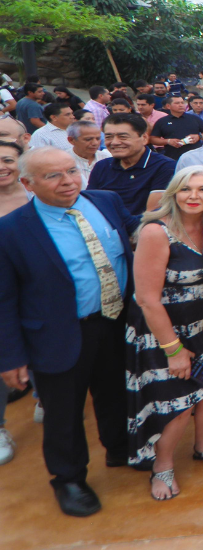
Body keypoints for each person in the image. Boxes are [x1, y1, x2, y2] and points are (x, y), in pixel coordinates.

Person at [0, 147, 136, 517]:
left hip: (115, 322)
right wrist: (10, 357)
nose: (68, 182)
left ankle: (120, 449)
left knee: (115, 393)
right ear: (28, 183)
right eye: (53, 176)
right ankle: (69, 479)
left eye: (71, 171)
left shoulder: (105, 201)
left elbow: (136, 229)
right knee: (64, 413)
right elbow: (4, 300)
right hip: (58, 335)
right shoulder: (12, 231)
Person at [126, 167, 203, 499]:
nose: (193, 196)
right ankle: (162, 466)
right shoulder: (156, 232)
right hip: (163, 331)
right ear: (173, 193)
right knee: (177, 403)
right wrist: (173, 349)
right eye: (186, 189)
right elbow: (147, 299)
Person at [89, 113, 176, 216]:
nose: (114, 142)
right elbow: (90, 205)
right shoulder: (102, 166)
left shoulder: (164, 167)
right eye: (109, 137)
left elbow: (153, 214)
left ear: (144, 138)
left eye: (123, 137)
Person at [66, 121, 108, 189]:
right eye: (88, 139)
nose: (95, 143)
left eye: (98, 139)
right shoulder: (62, 161)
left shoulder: (107, 158)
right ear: (71, 140)